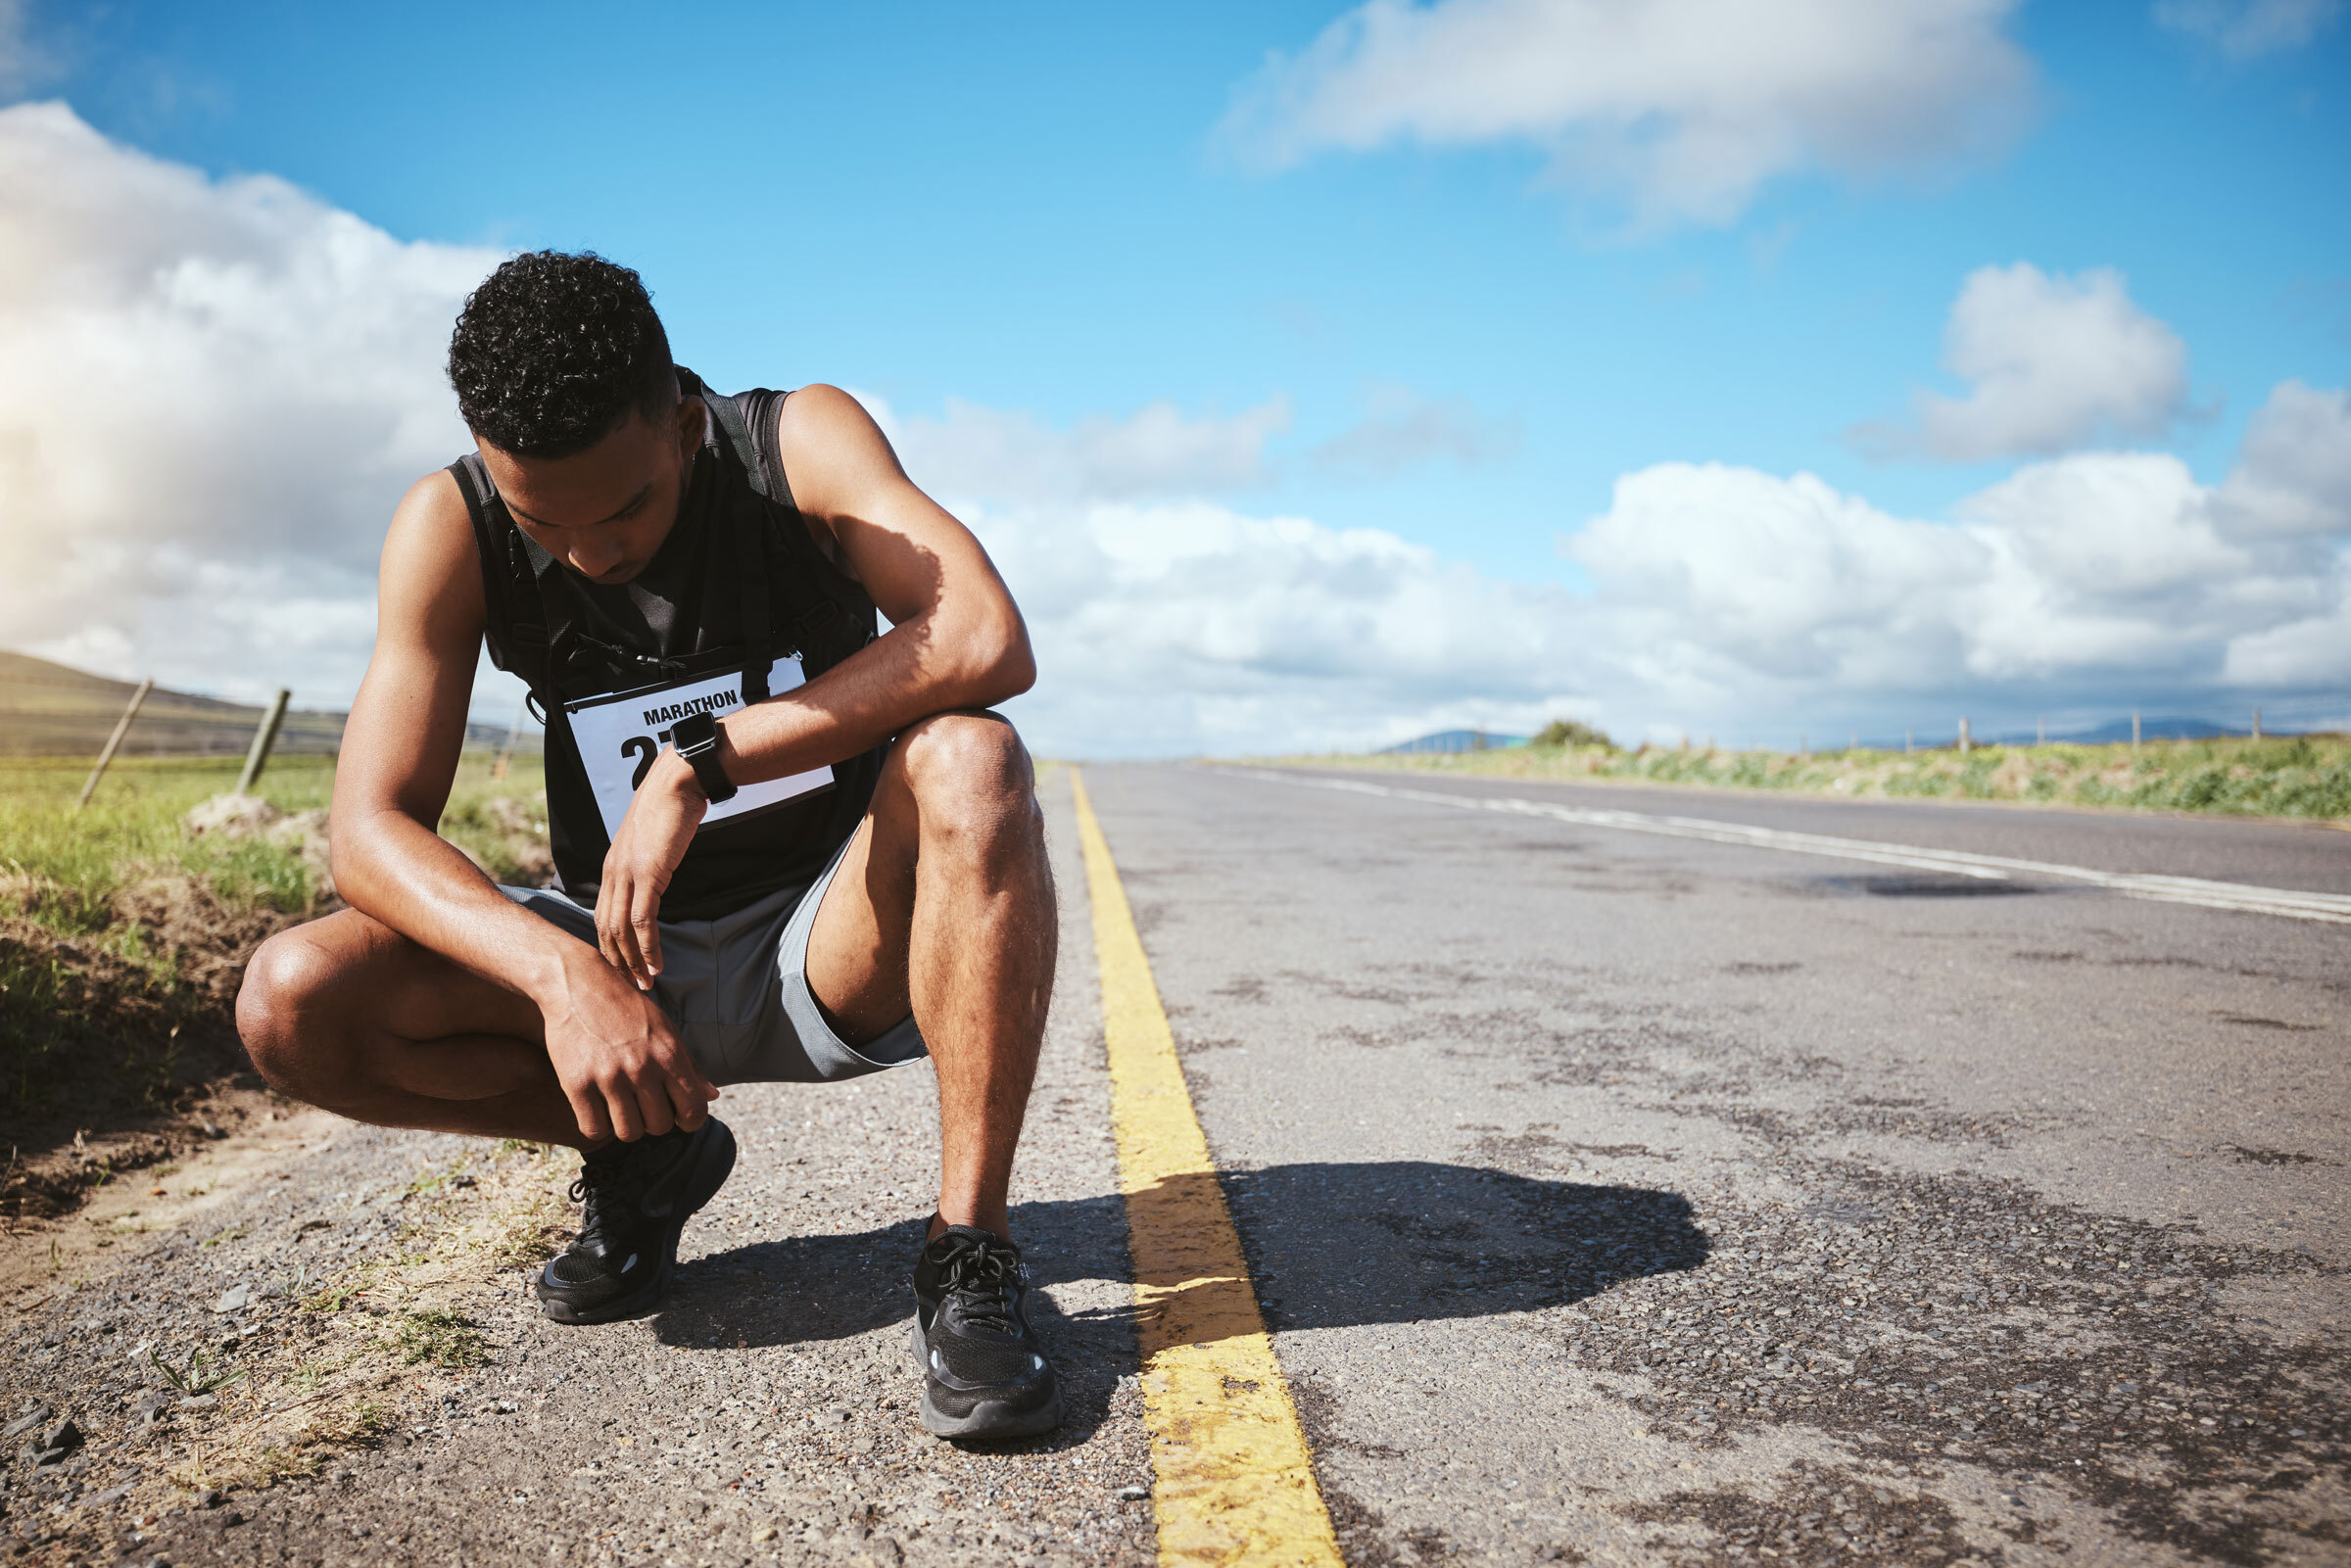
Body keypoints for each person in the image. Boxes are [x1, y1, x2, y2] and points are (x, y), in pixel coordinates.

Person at [235, 251, 1063, 1440]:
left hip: (834, 932)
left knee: (974, 756)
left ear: (680, 424)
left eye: (624, 509)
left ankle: (968, 1254)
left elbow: (984, 631)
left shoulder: (795, 442)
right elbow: (367, 834)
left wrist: (703, 756)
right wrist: (561, 973)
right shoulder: (447, 522)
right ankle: (650, 1149)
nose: (591, 554)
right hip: (629, 962)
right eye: (543, 522)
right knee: (289, 999)